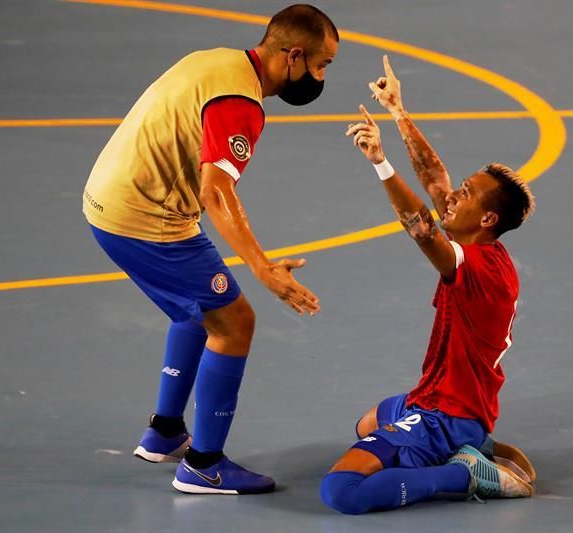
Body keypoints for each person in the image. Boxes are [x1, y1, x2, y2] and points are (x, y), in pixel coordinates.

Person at [82, 4, 338, 495]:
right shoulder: (240, 103)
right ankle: (203, 464)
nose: (323, 77)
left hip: (109, 199)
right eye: (322, 65)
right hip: (144, 217)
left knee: (196, 308)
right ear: (294, 56)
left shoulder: (217, 59)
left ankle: (163, 432)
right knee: (235, 321)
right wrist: (264, 270)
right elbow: (216, 191)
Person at [320, 56, 537, 514]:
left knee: (342, 491)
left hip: (446, 415)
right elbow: (436, 182)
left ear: (487, 219)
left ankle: (468, 473)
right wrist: (399, 111)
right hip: (437, 398)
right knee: (366, 426)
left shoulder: (476, 267)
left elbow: (421, 229)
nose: (452, 195)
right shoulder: (475, 238)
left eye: (466, 193)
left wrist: (380, 163)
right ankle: (473, 443)